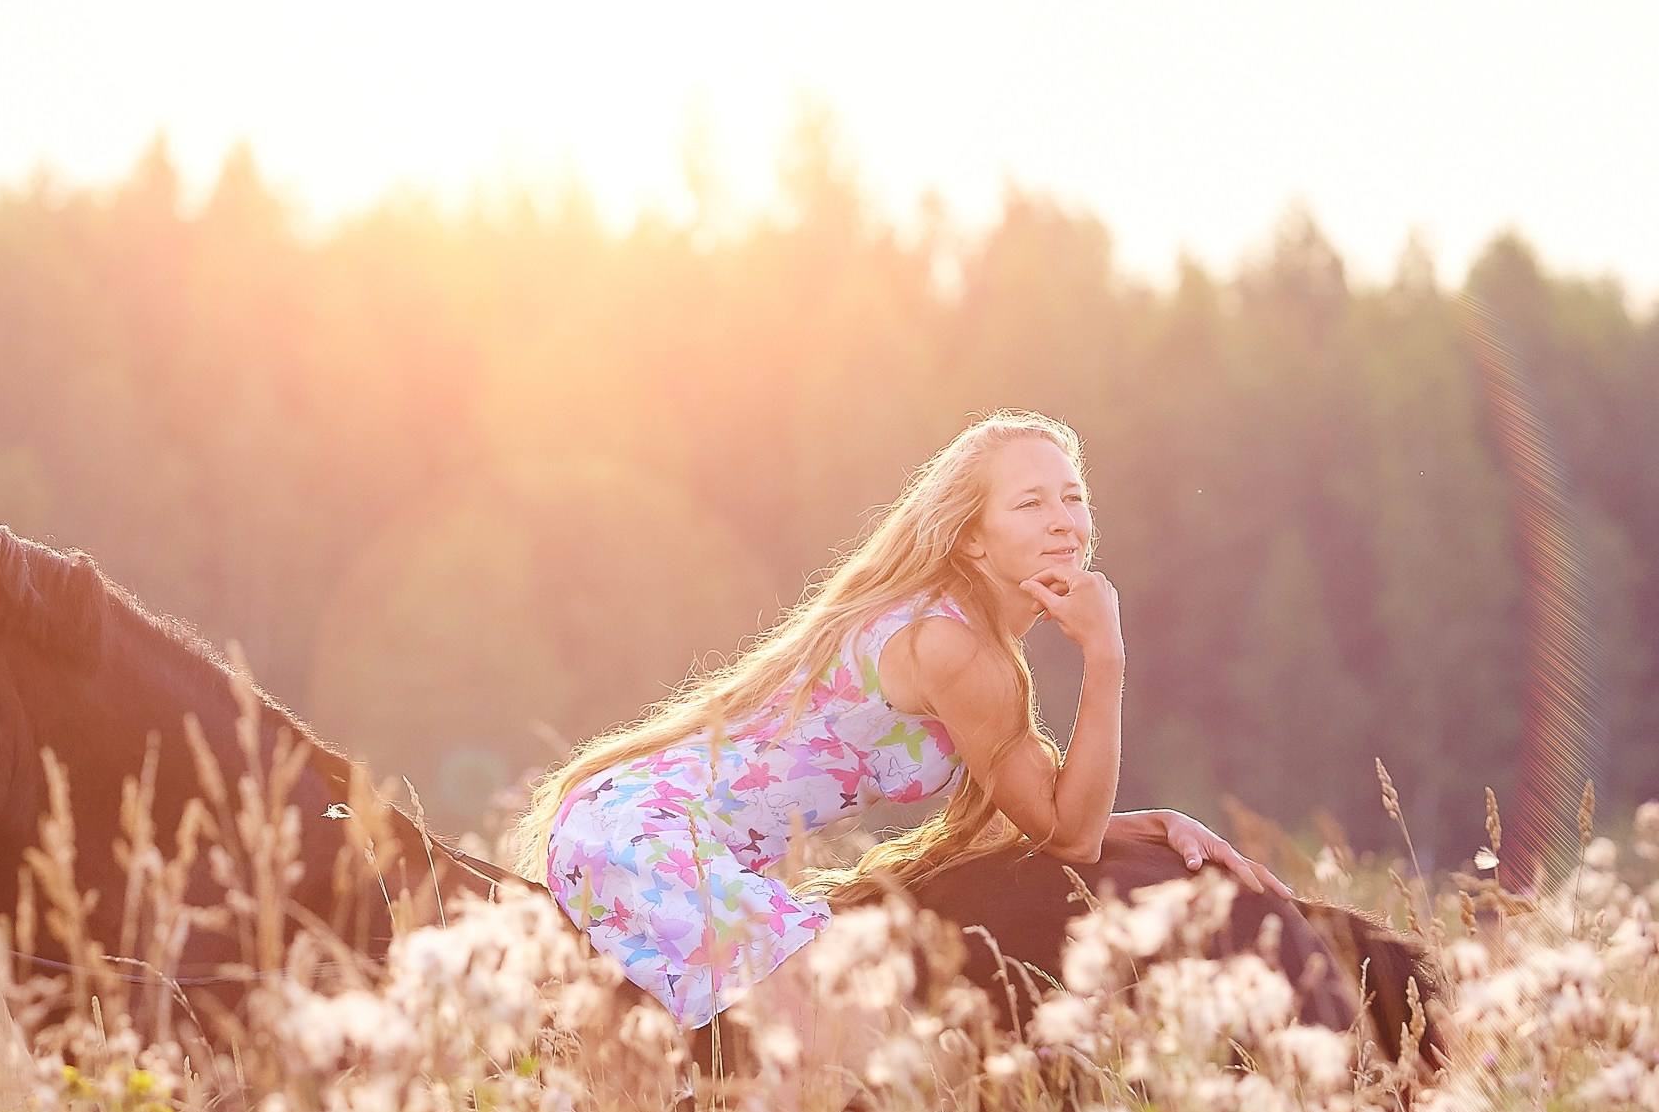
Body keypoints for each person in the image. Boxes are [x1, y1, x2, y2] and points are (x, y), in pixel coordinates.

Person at [511, 409, 1291, 1031]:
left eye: (1072, 495)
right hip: (642, 833)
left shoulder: (972, 646)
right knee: (857, 1036)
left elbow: (1051, 821)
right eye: (1031, 502)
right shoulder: (949, 644)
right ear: (972, 540)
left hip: (655, 832)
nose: (1064, 520)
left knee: (855, 1039)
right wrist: (1107, 656)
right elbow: (1071, 836)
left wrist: (1151, 824)